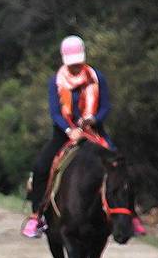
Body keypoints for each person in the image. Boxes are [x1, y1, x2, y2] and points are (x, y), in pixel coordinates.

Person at [22, 35, 146, 238]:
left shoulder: (97, 78)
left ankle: (131, 214)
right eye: (72, 63)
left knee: (121, 167)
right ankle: (38, 215)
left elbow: (105, 106)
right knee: (41, 167)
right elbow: (55, 112)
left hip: (95, 131)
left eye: (78, 62)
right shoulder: (56, 81)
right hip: (64, 134)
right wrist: (69, 130)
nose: (75, 66)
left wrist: (94, 119)